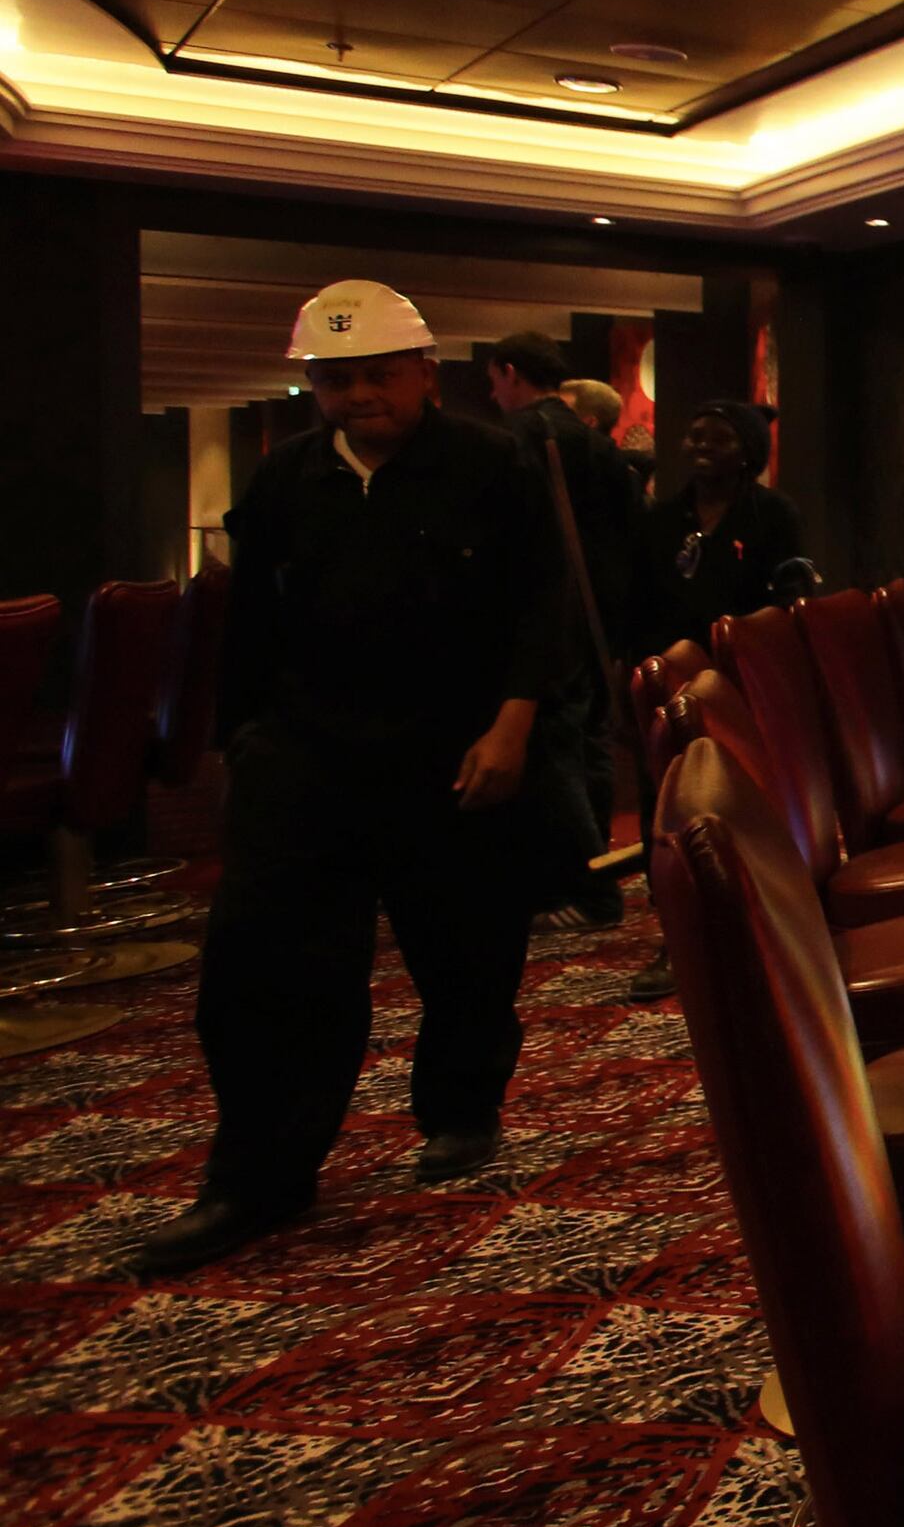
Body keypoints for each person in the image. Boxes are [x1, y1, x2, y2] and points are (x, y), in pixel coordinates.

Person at [134, 282, 565, 1275]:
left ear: (424, 373)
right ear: (311, 384)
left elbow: (541, 604)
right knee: (265, 968)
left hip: (454, 749)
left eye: (378, 374)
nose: (360, 395)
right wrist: (241, 742)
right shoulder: (286, 480)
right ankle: (258, 1175)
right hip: (307, 752)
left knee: (464, 947)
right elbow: (249, 628)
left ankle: (460, 1108)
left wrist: (513, 726)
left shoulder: (489, 464)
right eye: (337, 379)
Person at [484, 329, 641, 930]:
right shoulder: (600, 446)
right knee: (588, 746)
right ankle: (596, 867)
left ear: (508, 371)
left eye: (495, 381)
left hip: (546, 619)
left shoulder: (514, 438)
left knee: (551, 753)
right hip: (602, 620)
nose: (494, 393)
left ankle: (588, 886)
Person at [637, 399, 805, 651]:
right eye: (696, 437)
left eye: (721, 439)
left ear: (747, 453)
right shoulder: (663, 516)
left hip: (748, 661)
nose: (704, 446)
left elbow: (790, 595)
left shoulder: (773, 513)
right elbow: (642, 596)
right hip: (672, 664)